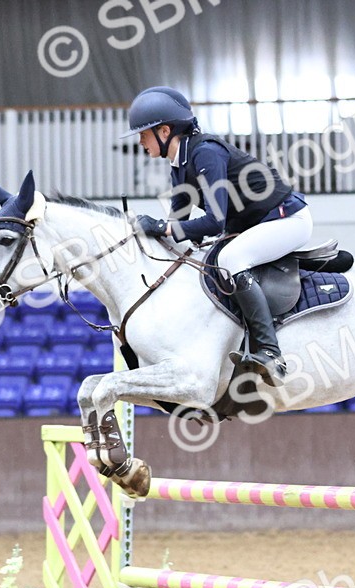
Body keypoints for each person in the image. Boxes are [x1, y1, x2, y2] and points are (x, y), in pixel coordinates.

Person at [121, 86, 312, 386]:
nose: (140, 141)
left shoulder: (205, 153)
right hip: (257, 224)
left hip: (287, 218)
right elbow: (177, 227)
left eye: (143, 134)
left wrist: (161, 227)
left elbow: (213, 221)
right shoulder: (179, 166)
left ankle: (271, 353)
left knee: (230, 260)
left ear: (165, 131)